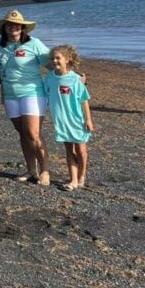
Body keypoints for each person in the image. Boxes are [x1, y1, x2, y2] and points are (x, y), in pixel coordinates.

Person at [0, 10, 51, 185]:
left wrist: (73, 75)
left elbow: (52, 63)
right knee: (23, 133)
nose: (13, 27)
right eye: (10, 24)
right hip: (10, 95)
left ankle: (45, 170)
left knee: (33, 133)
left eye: (17, 24)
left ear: (23, 27)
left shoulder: (34, 43)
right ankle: (31, 170)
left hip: (32, 93)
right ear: (5, 28)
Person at [45, 45, 94, 191]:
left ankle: (81, 175)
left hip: (77, 120)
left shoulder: (75, 79)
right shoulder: (49, 77)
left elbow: (84, 100)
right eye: (52, 58)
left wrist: (88, 119)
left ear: (67, 59)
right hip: (61, 121)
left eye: (58, 58)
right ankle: (73, 179)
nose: (54, 61)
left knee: (81, 150)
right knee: (69, 150)